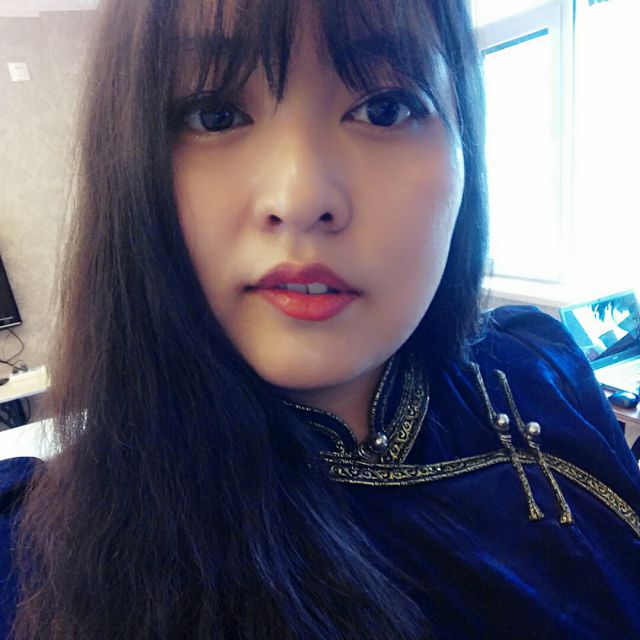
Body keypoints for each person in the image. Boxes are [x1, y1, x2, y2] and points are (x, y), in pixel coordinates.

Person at [1, 0, 639, 638]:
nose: (300, 198)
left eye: (385, 108)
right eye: (214, 113)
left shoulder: (542, 370)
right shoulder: (30, 562)